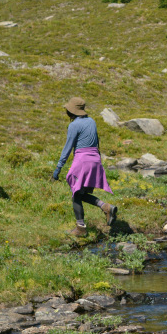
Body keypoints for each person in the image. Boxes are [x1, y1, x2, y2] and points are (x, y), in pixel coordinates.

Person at [53, 97, 117, 237]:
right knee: (82, 193)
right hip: (95, 160)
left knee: (76, 194)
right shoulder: (91, 121)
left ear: (71, 111)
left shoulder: (74, 125)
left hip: (82, 161)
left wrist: (58, 168)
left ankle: (80, 229)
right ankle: (105, 207)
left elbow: (68, 148)